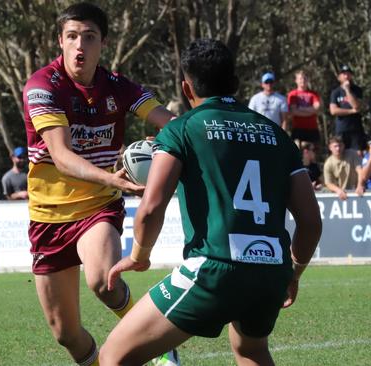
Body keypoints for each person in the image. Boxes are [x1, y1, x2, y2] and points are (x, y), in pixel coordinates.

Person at [99, 39, 322, 366]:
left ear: (186, 88)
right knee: (251, 351)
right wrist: (293, 273)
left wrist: (138, 257)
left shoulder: (182, 130)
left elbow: (151, 207)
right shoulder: (277, 135)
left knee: (113, 356)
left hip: (215, 267)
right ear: (235, 84)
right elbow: (311, 221)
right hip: (271, 270)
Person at [22, 3, 177, 366]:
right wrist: (113, 177)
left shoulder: (119, 86)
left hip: (97, 207)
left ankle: (158, 345)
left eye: (89, 37)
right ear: (60, 41)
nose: (80, 46)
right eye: (72, 37)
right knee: (66, 333)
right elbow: (61, 156)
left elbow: (168, 123)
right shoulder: (42, 86)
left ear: (102, 43)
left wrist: (199, 134)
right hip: (47, 216)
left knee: (103, 281)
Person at [329, 65, 366, 151]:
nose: (346, 76)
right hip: (341, 129)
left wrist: (347, 90)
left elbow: (356, 106)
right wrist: (351, 111)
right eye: (344, 74)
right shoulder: (335, 92)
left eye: (348, 74)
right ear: (339, 77)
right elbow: (333, 111)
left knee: (357, 154)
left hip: (356, 129)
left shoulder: (357, 90)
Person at [287, 70, 322, 145]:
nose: (303, 80)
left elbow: (317, 109)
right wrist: (310, 110)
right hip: (298, 129)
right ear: (296, 81)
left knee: (313, 153)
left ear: (308, 80)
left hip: (312, 128)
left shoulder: (313, 94)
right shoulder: (292, 94)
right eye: (300, 78)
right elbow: (293, 111)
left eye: (305, 78)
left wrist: (300, 109)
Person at [323, 135, 362, 200]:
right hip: (340, 195)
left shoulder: (352, 154)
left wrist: (360, 185)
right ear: (330, 147)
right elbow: (328, 183)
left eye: (340, 146)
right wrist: (338, 190)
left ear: (343, 146)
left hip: (356, 192)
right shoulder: (328, 163)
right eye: (335, 146)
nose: (338, 148)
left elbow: (360, 170)